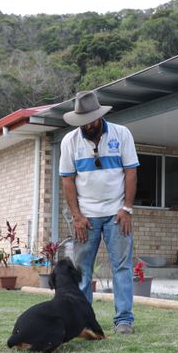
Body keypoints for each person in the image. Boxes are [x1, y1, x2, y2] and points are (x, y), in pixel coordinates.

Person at [59, 91, 139, 334]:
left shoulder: (121, 134)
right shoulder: (69, 141)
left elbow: (131, 172)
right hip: (86, 217)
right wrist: (77, 216)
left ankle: (124, 320)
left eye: (90, 121)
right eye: (82, 122)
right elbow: (68, 180)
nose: (86, 126)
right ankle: (83, 321)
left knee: (122, 268)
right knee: (82, 270)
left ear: (99, 117)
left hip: (117, 214)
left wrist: (127, 209)